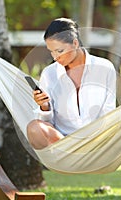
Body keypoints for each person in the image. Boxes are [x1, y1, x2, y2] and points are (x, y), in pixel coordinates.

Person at [27, 18, 116, 150]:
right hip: (62, 142)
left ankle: (86, 150)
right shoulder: (49, 74)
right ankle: (72, 151)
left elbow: (109, 111)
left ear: (75, 43)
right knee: (34, 128)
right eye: (51, 51)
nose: (55, 57)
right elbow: (47, 124)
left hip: (97, 141)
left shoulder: (104, 68)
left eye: (59, 51)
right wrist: (44, 107)